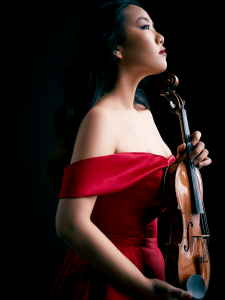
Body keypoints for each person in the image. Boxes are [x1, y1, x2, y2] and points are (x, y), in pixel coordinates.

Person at [45, 1, 212, 299]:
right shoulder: (101, 117)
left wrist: (185, 169)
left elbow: (159, 191)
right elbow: (69, 224)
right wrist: (142, 285)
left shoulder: (144, 114)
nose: (160, 37)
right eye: (146, 26)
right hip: (111, 275)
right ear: (117, 49)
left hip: (155, 267)